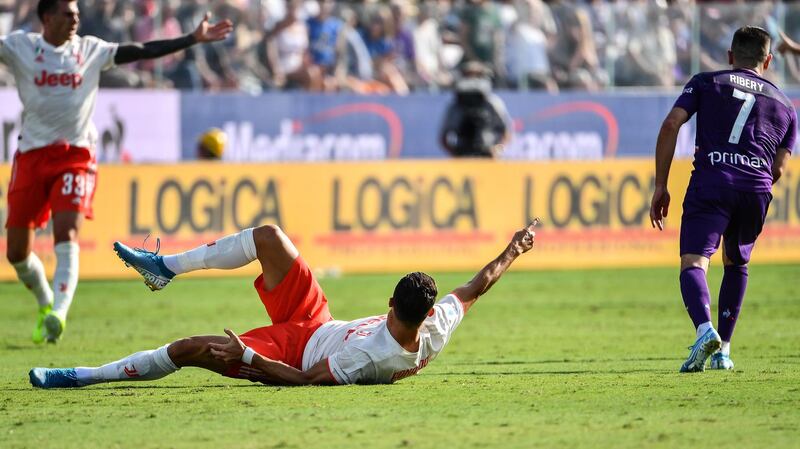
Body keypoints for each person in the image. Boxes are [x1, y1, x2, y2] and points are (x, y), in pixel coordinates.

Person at [28, 220, 538, 388]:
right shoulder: (436, 327)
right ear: (426, 314)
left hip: (294, 351)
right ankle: (165, 269)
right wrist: (514, 248)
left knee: (188, 349)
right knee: (269, 236)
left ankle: (84, 375)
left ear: (390, 305)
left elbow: (303, 381)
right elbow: (478, 285)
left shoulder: (370, 357)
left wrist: (250, 359)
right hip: (319, 318)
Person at [0, 0, 232, 344]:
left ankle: (59, 313)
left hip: (75, 154)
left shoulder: (90, 50)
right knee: (16, 252)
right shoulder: (20, 46)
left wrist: (191, 39)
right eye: (68, 13)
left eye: (78, 12)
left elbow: (140, 50)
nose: (76, 18)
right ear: (47, 18)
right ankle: (46, 302)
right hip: (31, 155)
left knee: (67, 233)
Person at [649, 26, 795, 373]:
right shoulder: (787, 106)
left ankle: (704, 331)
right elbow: (779, 168)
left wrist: (660, 185)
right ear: (769, 60)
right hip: (756, 188)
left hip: (712, 181)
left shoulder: (706, 82)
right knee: (737, 263)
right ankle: (724, 351)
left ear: (730, 57)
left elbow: (671, 125)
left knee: (694, 263)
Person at [439, 61, 511, 158]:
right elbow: (443, 138)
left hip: (488, 156)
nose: (472, 79)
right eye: (469, 75)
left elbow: (507, 133)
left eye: (477, 75)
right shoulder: (455, 106)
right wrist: (456, 153)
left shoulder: (493, 103)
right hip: (464, 156)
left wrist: (497, 150)